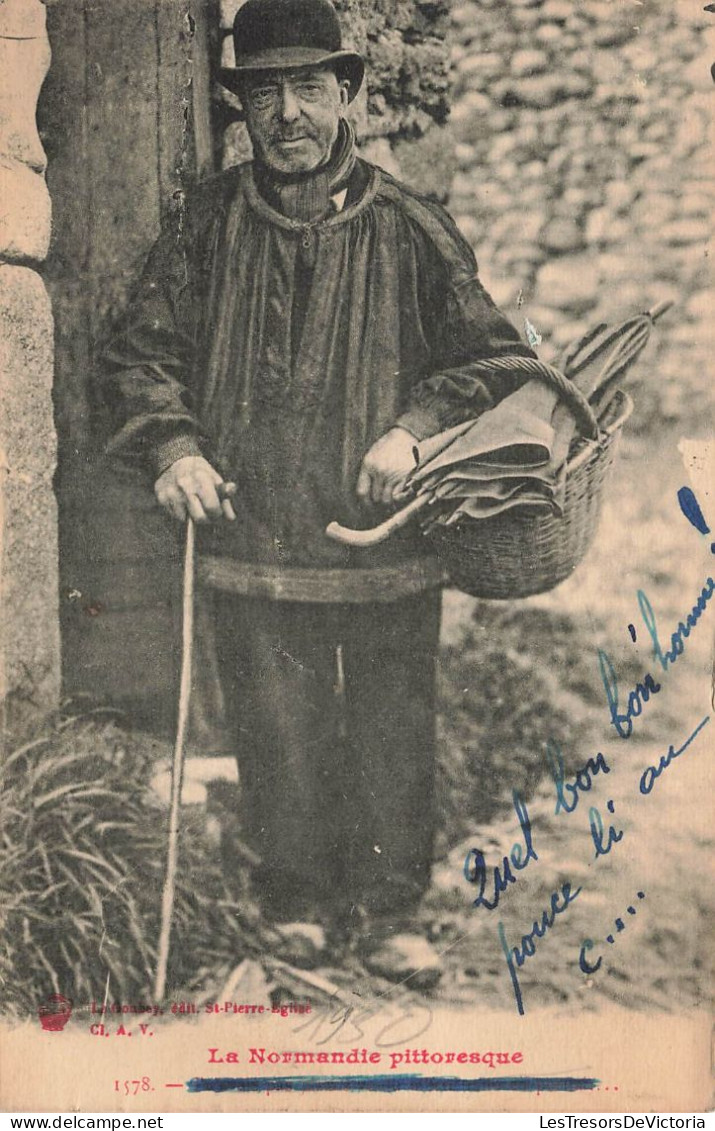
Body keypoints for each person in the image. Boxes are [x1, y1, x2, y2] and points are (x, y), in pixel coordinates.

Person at [98, 0, 534, 984]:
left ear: (346, 96)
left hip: (383, 539)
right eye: (264, 93)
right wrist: (173, 449)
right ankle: (292, 901)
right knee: (275, 721)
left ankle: (387, 915)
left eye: (306, 89)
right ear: (241, 110)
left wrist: (411, 430)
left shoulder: (409, 224)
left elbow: (492, 358)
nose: (286, 113)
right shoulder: (207, 225)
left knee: (388, 721)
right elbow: (141, 352)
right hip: (254, 531)